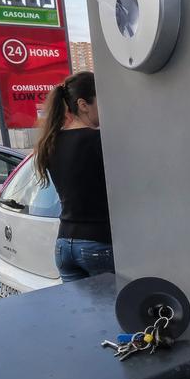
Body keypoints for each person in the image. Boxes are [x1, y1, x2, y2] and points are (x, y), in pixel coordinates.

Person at [32, 71, 114, 281]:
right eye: (100, 101)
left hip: (64, 245)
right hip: (98, 243)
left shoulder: (51, 142)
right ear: (83, 104)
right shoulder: (97, 140)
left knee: (81, 312)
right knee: (111, 312)